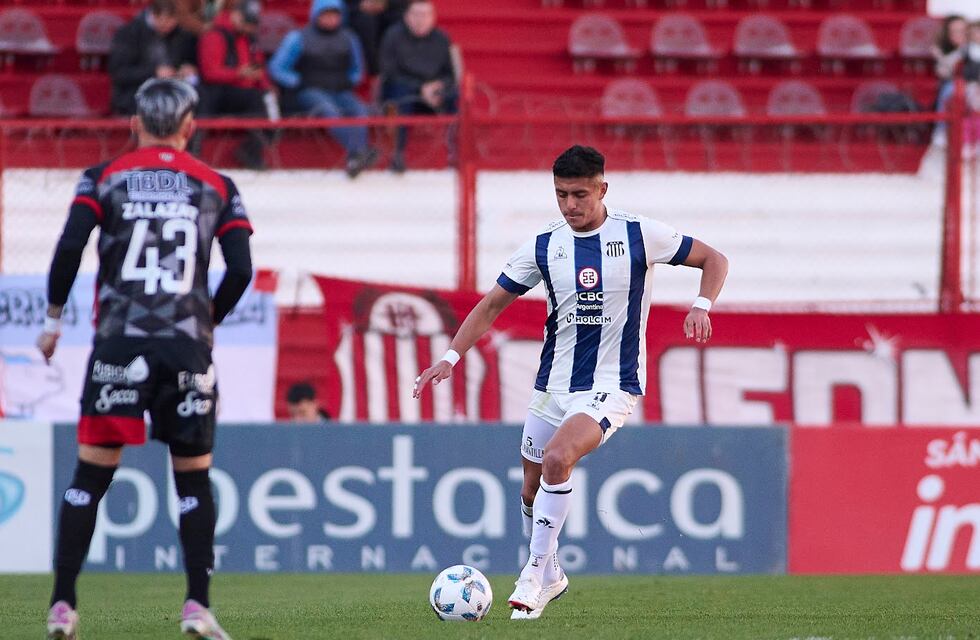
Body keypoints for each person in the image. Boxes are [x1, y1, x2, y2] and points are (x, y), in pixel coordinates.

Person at [413, 145, 728, 620]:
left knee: (559, 458)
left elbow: (714, 259)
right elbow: (492, 304)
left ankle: (533, 574)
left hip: (612, 384)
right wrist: (449, 357)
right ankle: (554, 574)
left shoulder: (639, 234)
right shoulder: (545, 245)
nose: (569, 205)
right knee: (530, 489)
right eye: (561, 194)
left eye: (580, 194)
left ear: (603, 189)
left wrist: (701, 305)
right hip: (552, 386)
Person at [40, 78, 253, 640]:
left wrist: (53, 320)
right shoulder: (217, 184)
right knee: (193, 480)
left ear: (134, 124)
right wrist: (207, 322)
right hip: (186, 347)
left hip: (119, 345)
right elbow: (241, 270)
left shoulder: (103, 177)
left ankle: (63, 605)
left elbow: (70, 246)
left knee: (91, 474)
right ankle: (197, 607)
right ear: (190, 127)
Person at [269, 0, 379, 178]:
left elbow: (357, 70)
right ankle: (360, 151)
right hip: (310, 90)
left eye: (334, 15)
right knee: (329, 112)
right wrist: (298, 81)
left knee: (360, 110)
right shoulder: (298, 37)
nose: (330, 19)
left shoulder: (349, 38)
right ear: (316, 15)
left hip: (340, 90)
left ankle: (355, 158)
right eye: (326, 15)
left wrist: (348, 81)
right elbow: (277, 67)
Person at [379, 0, 457, 172]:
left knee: (455, 94)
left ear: (433, 18)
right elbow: (389, 73)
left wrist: (438, 86)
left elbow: (451, 74)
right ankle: (397, 153)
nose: (421, 19)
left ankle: (455, 150)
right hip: (402, 89)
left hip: (434, 91)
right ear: (406, 16)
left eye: (426, 15)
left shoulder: (442, 38)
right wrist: (420, 88)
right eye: (416, 14)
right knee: (401, 95)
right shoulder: (393, 36)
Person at [197, 0, 276, 169]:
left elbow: (259, 65)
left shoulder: (249, 38)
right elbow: (209, 73)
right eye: (247, 22)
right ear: (236, 15)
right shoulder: (215, 35)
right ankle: (194, 150)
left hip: (243, 90)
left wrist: (265, 85)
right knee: (253, 98)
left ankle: (252, 149)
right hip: (216, 91)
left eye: (252, 23)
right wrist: (238, 73)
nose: (250, 27)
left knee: (266, 98)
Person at [108, 0, 199, 115]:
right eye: (161, 19)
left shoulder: (184, 35)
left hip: (175, 92)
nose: (165, 24)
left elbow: (191, 61)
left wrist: (188, 69)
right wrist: (154, 72)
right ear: (152, 14)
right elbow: (119, 73)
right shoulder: (129, 34)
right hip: (135, 94)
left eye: (170, 20)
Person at [931, 15, 968, 145]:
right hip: (956, 87)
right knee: (950, 87)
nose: (959, 35)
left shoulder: (973, 49)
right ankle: (940, 132)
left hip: (974, 87)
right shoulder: (943, 51)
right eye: (954, 32)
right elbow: (943, 72)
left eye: (962, 31)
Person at [344, 0, 408, 75]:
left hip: (389, 11)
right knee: (365, 22)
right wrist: (359, 5)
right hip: (356, 14)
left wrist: (385, 3)